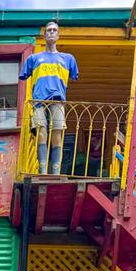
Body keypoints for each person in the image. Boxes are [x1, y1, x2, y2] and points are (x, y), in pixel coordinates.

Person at [19, 22, 79, 175]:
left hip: (58, 100)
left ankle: (55, 172)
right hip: (39, 101)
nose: (51, 32)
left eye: (54, 30)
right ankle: (42, 170)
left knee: (57, 133)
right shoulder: (33, 59)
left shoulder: (68, 59)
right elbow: (24, 76)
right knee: (41, 132)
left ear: (58, 35)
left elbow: (74, 76)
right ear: (44, 35)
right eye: (49, 30)